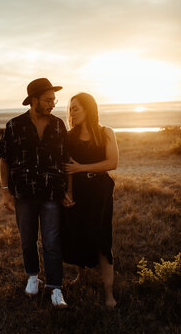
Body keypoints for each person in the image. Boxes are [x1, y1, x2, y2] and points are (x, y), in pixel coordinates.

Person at [0, 78, 68, 308]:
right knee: (27, 239)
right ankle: (32, 277)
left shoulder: (58, 125)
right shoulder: (14, 125)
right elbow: (4, 160)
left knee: (52, 241)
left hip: (51, 193)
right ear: (34, 101)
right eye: (48, 100)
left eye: (54, 100)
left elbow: (65, 160)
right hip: (23, 194)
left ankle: (55, 287)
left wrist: (67, 189)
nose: (52, 104)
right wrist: (6, 192)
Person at [62, 92, 119, 308]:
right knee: (77, 233)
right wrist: (68, 192)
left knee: (101, 237)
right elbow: (68, 167)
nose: (72, 111)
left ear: (88, 108)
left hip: (100, 191)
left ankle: (108, 293)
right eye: (70, 108)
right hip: (78, 189)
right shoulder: (69, 136)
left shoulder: (106, 133)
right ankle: (82, 275)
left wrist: (82, 168)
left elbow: (112, 162)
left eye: (76, 107)